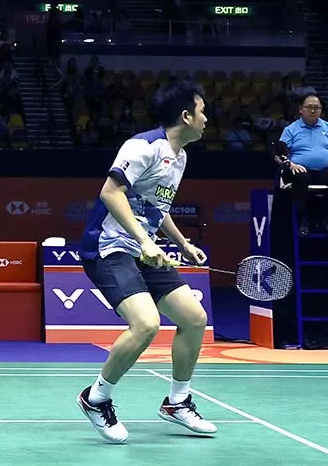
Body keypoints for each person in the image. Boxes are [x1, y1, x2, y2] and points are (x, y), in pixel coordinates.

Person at [76, 80, 217, 443]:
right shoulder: (143, 146)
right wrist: (143, 240)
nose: (207, 119)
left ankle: (177, 402)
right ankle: (97, 398)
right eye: (202, 112)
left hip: (143, 250)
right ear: (185, 116)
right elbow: (110, 192)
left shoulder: (180, 157)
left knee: (194, 317)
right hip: (109, 247)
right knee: (146, 324)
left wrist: (182, 243)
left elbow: (156, 207)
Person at [276, 93, 328, 236]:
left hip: (324, 171)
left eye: (317, 107)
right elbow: (279, 156)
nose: (313, 110)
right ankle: (304, 220)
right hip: (299, 170)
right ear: (300, 109)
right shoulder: (291, 129)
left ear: (321, 110)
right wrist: (290, 164)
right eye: (309, 107)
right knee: (300, 177)